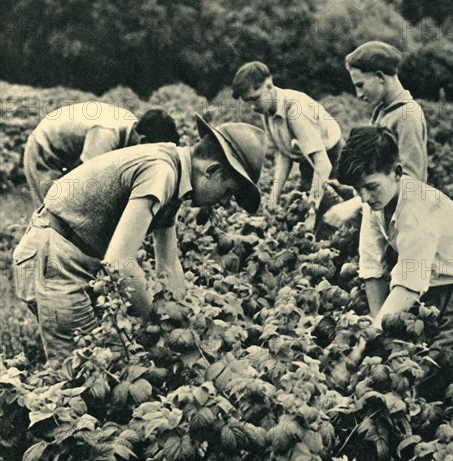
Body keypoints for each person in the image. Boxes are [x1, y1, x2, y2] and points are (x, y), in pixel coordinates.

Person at [13, 114, 265, 365]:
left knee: (107, 357)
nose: (222, 202)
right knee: (85, 369)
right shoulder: (161, 171)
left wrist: (186, 321)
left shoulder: (174, 172)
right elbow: (119, 263)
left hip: (74, 259)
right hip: (54, 260)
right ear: (212, 170)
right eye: (228, 191)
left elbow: (168, 265)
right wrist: (159, 325)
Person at [336, 126, 453, 348]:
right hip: (430, 286)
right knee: (405, 353)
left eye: (370, 187)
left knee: (448, 363)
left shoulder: (418, 212)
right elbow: (372, 267)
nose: (365, 197)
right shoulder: (378, 200)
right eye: (358, 189)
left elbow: (408, 288)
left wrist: (370, 339)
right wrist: (377, 329)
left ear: (397, 173)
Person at [324, 41, 428, 228]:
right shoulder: (383, 112)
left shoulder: (406, 115)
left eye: (361, 85)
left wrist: (354, 204)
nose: (358, 94)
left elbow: (413, 179)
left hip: (405, 222)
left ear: (380, 76)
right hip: (385, 216)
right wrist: (350, 189)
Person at [232, 61, 343, 215]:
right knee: (298, 211)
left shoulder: (296, 110)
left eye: (255, 99)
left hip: (335, 160)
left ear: (269, 86)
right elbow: (284, 154)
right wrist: (273, 198)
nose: (253, 107)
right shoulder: (268, 110)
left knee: (330, 215)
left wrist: (313, 207)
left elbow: (323, 165)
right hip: (308, 161)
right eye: (248, 102)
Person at [24, 101, 180, 206]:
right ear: (144, 141)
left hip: (69, 152)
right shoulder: (106, 134)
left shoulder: (131, 130)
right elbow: (85, 182)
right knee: (49, 213)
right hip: (44, 150)